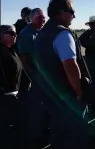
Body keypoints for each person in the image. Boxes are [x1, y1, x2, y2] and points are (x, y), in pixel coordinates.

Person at [34, 0, 89, 149]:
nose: (74, 16)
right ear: (61, 12)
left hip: (50, 95)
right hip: (68, 97)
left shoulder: (42, 34)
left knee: (58, 135)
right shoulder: (63, 34)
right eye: (72, 11)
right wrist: (78, 91)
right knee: (75, 136)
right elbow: (70, 65)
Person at [17, 8, 47, 148]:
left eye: (44, 17)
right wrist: (34, 77)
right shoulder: (26, 34)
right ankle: (34, 137)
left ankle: (43, 131)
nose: (43, 20)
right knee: (35, 108)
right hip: (36, 78)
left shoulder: (40, 32)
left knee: (44, 106)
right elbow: (24, 59)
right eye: (40, 17)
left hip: (45, 77)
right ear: (33, 18)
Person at [0, 25, 23, 149]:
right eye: (11, 33)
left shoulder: (11, 50)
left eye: (15, 33)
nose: (15, 36)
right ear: (2, 35)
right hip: (5, 98)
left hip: (14, 96)